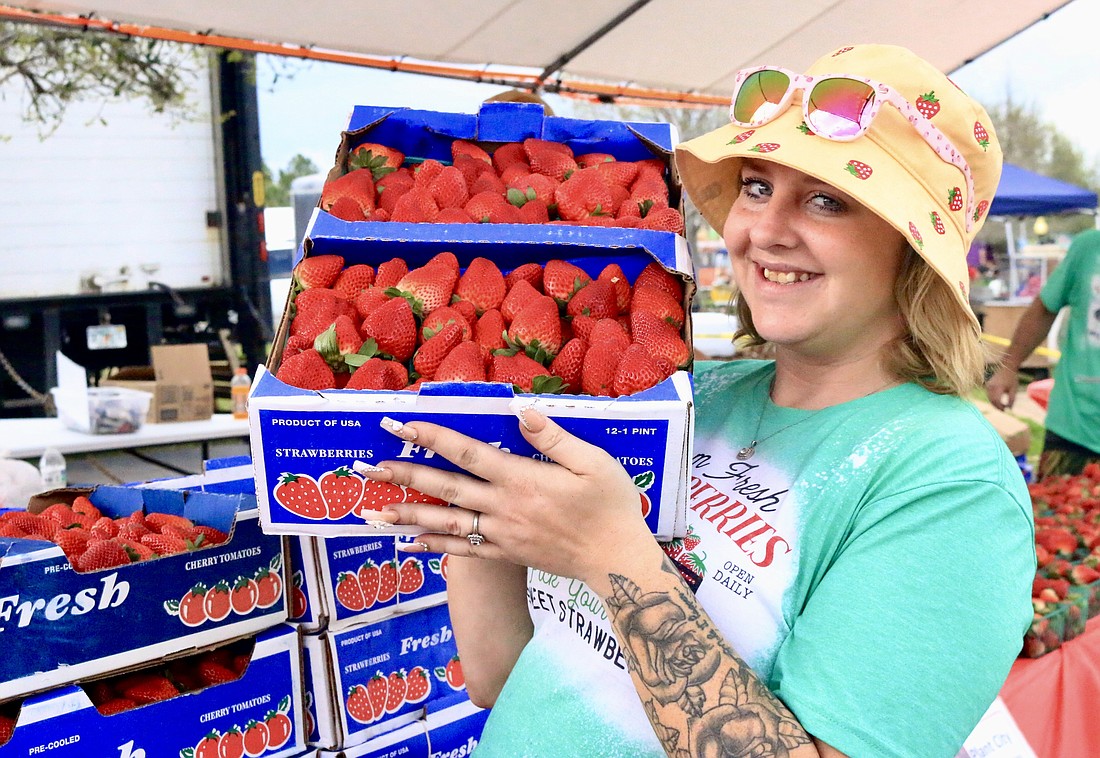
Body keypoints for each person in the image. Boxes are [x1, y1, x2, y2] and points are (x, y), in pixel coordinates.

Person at [362, 44, 1035, 757]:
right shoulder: (689, 399)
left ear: (912, 248)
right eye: (755, 186)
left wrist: (613, 558)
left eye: (825, 199)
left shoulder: (951, 483)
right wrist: (480, 472)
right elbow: (500, 672)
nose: (764, 230)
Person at [986, 229, 1100, 479]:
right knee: (1057, 511)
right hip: (1074, 428)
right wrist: (1008, 366)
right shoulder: (1089, 248)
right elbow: (1044, 309)